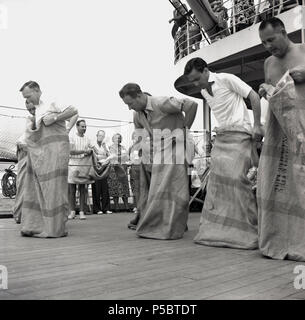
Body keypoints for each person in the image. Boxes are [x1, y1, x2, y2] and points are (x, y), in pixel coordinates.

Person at [182, 57, 264, 249]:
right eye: (192, 81)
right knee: (217, 184)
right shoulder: (203, 91)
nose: (195, 84)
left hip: (241, 134)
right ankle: (221, 229)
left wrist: (257, 125)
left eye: (196, 79)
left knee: (238, 180)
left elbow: (253, 96)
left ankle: (247, 228)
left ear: (205, 71)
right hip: (223, 137)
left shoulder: (226, 79)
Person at [119, 83, 198, 240]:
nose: (129, 108)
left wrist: (183, 130)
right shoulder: (138, 114)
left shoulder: (161, 102)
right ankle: (158, 219)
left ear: (140, 96)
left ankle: (177, 222)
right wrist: (141, 152)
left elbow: (192, 104)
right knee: (158, 188)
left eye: (130, 103)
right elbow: (139, 134)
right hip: (159, 151)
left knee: (176, 186)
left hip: (177, 147)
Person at [258, 17, 305, 261]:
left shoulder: (303, 50)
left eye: (271, 40)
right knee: (279, 184)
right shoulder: (269, 62)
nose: (268, 46)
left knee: (302, 183)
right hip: (280, 132)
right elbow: (272, 88)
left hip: (303, 127)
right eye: (264, 42)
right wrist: (265, 89)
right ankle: (281, 237)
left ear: (283, 32)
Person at [19, 80, 78, 238]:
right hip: (44, 153)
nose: (28, 100)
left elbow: (74, 110)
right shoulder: (37, 110)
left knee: (55, 188)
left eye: (29, 96)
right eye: (26, 98)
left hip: (57, 151)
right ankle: (41, 224)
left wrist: (55, 118)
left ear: (37, 90)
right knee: (42, 188)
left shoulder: (53, 100)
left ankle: (55, 227)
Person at [12, 101, 36, 224]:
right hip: (26, 153)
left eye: (33, 108)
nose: (31, 111)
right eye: (29, 109)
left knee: (36, 187)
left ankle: (32, 215)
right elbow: (24, 137)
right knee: (22, 183)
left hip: (38, 155)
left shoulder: (43, 118)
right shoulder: (29, 119)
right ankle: (19, 213)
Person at [68, 119, 94, 220]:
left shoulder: (87, 139)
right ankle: (72, 211)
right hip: (73, 165)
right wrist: (84, 151)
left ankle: (82, 211)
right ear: (77, 127)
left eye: (85, 126)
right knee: (72, 189)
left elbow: (93, 149)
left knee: (83, 189)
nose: (84, 128)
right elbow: (71, 151)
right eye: (82, 126)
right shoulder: (71, 137)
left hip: (84, 166)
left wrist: (92, 151)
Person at [107, 133, 131, 212]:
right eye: (116, 138)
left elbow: (127, 157)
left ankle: (126, 205)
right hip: (114, 169)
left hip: (123, 169)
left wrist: (119, 157)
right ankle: (116, 206)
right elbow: (112, 157)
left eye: (119, 138)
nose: (118, 139)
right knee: (115, 187)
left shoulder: (123, 147)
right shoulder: (110, 147)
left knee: (124, 187)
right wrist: (120, 157)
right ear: (113, 139)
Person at [91, 130, 112, 214]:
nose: (101, 137)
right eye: (100, 135)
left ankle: (106, 208)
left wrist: (106, 151)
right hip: (96, 168)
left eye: (103, 136)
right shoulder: (92, 144)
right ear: (96, 135)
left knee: (105, 188)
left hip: (104, 167)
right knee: (96, 188)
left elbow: (109, 155)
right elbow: (93, 155)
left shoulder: (105, 145)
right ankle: (97, 209)